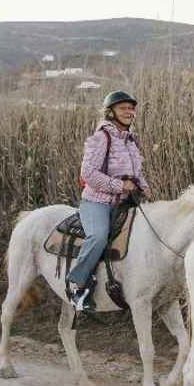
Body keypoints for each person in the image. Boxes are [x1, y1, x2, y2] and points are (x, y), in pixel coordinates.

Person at [67, 90, 148, 312]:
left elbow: (137, 174)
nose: (129, 112)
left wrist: (144, 189)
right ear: (110, 112)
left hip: (124, 203)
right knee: (98, 236)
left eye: (131, 108)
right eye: (123, 108)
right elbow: (88, 174)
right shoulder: (101, 138)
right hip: (97, 202)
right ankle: (78, 286)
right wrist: (119, 186)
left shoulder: (131, 141)